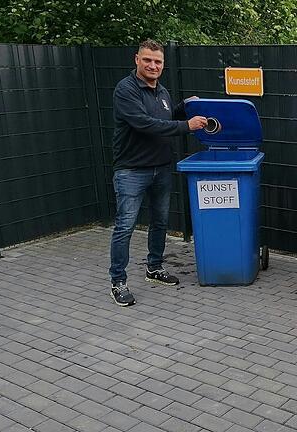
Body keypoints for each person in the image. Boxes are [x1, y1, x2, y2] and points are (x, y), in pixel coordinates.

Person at [109, 39, 207, 307]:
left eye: (158, 61)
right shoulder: (126, 90)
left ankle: (154, 268)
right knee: (125, 227)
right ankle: (118, 281)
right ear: (136, 60)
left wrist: (183, 105)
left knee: (160, 222)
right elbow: (144, 124)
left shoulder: (161, 91)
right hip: (131, 170)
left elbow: (163, 119)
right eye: (148, 60)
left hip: (161, 168)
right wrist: (186, 125)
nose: (153, 65)